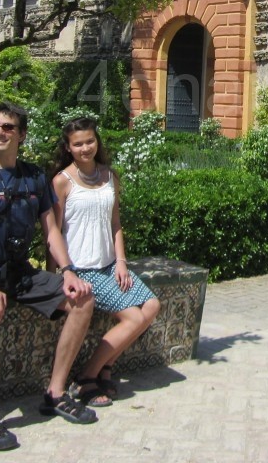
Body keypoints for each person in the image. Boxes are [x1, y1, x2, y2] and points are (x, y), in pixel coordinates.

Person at [0, 102, 97, 452]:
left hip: (20, 273)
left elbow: (51, 232)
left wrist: (68, 272)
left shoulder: (34, 178)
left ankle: (56, 391)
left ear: (21, 135)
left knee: (83, 299)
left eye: (7, 127)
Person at [51, 116, 161, 407]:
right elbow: (53, 232)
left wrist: (121, 262)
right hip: (82, 270)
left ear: (97, 141)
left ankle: (105, 365)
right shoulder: (62, 181)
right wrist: (61, 274)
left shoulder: (108, 176)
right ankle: (87, 376)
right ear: (69, 147)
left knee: (152, 306)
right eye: (78, 144)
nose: (85, 147)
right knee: (134, 317)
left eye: (89, 141)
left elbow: (115, 223)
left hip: (110, 265)